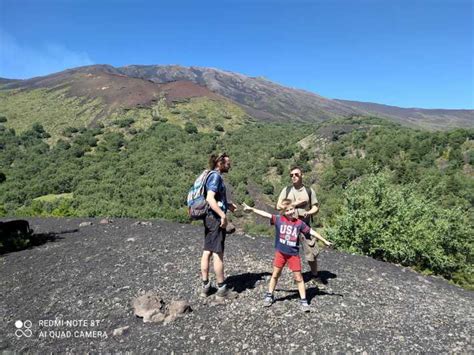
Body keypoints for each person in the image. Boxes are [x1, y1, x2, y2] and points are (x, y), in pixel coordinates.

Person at [242, 199, 332, 311]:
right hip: (280, 253)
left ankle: (304, 301)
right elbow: (266, 215)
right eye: (287, 210)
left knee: (299, 278)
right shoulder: (279, 219)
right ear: (283, 211)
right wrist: (252, 209)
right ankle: (269, 295)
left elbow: (311, 231)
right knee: (275, 274)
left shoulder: (299, 223)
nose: (290, 212)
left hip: (293, 255)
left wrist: (324, 240)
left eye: (291, 209)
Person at [200, 152, 237, 299]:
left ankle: (206, 287)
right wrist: (223, 215)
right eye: (227, 163)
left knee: (207, 250)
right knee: (217, 252)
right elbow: (210, 198)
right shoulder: (216, 177)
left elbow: (214, 198)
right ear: (220, 163)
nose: (229, 165)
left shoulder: (210, 175)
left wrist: (227, 205)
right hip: (215, 219)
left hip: (208, 217)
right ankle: (222, 289)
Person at [276, 166, 322, 284]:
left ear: (302, 175)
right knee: (287, 252)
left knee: (311, 251)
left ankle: (315, 275)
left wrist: (309, 212)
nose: (294, 177)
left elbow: (316, 207)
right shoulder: (286, 190)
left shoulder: (309, 191)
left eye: (296, 174)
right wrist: (294, 204)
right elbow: (278, 206)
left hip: (303, 224)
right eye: (291, 175)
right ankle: (293, 276)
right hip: (289, 226)